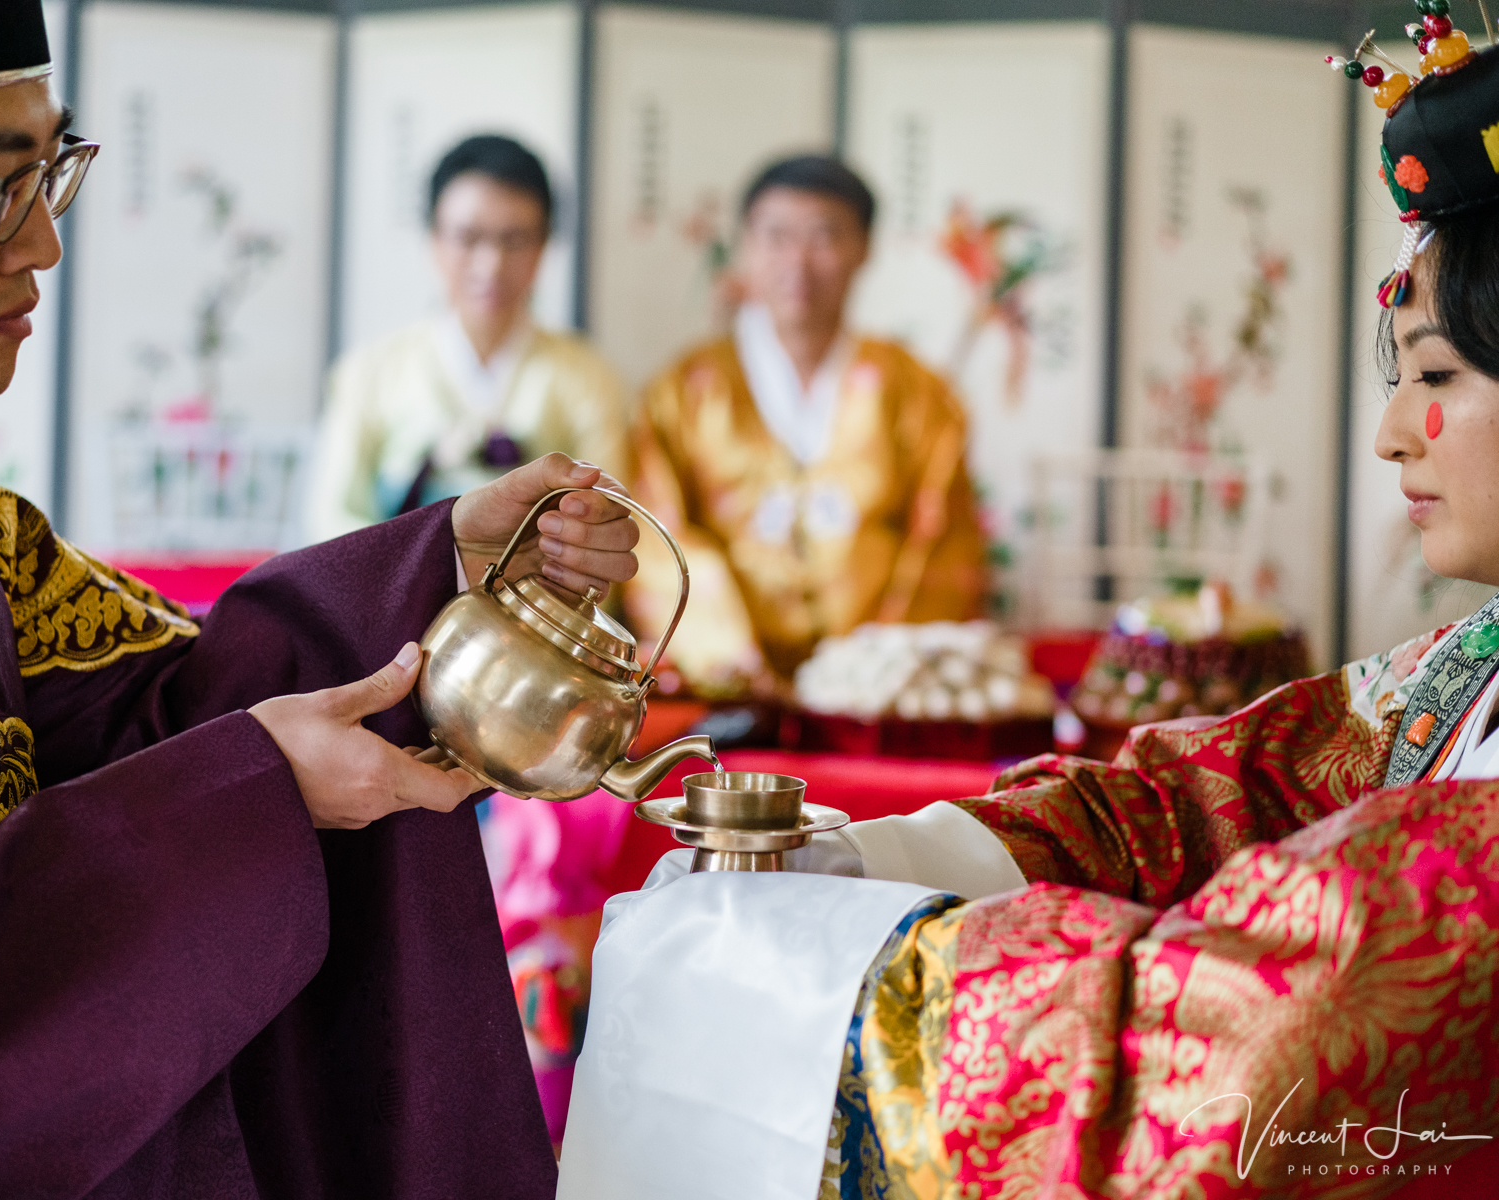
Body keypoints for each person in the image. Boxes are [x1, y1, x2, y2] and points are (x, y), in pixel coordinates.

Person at [0, 5, 642, 1197]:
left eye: (52, 171)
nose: (42, 242)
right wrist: (250, 797)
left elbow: (172, 702)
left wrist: (447, 562)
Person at [566, 39, 1499, 1198]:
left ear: (861, 252)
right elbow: (1206, 797)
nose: (1391, 434)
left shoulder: (909, 393)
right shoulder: (1469, 662)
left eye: (1439, 376)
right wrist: (860, 858)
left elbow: (1250, 1034)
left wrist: (833, 965)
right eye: (1400, 379)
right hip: (746, 673)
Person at [625, 155, 988, 699]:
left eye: (824, 237)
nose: (797, 261)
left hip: (873, 698)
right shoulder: (684, 392)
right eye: (776, 236)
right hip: (725, 696)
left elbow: (943, 542)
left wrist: (876, 671)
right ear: (745, 246)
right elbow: (658, 535)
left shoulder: (918, 393)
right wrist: (726, 660)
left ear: (864, 249)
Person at [307, 134, 630, 542]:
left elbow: (607, 525)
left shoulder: (590, 378)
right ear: (434, 238)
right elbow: (332, 524)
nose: (490, 264)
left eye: (514, 240)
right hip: (397, 602)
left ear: (544, 244)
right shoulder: (368, 373)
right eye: (468, 237)